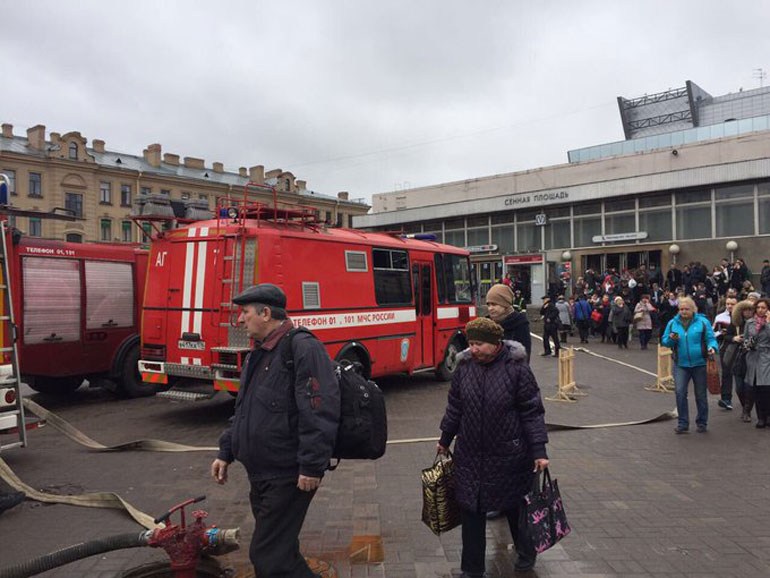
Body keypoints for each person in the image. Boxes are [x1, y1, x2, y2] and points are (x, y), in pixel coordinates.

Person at [211, 283, 340, 578]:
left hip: (289, 475)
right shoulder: (259, 353)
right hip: (263, 475)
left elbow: (320, 409)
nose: (240, 320)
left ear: (266, 313)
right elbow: (245, 410)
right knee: (281, 553)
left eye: (244, 312)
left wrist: (311, 465)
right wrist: (226, 450)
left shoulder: (303, 348)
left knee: (268, 557)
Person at [437, 318, 549, 576]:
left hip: (509, 454)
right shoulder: (464, 367)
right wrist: (445, 439)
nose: (473, 349)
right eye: (471, 343)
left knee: (513, 505)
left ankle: (526, 550)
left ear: (495, 343)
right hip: (470, 454)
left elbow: (532, 412)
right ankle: (471, 569)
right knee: (471, 512)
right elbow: (455, 407)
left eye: (478, 344)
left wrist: (539, 451)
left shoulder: (517, 368)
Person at [662, 296, 718, 434]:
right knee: (680, 393)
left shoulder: (703, 322)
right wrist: (670, 339)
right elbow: (665, 341)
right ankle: (682, 423)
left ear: (693, 309)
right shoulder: (672, 323)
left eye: (686, 309)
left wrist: (712, 348)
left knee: (700, 395)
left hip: (699, 363)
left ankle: (702, 422)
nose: (684, 312)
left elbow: (711, 339)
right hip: (681, 364)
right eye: (681, 309)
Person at [485, 284, 532, 363]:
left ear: (505, 304)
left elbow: (524, 357)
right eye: (488, 304)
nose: (490, 308)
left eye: (494, 304)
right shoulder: (486, 324)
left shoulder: (519, 323)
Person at [742, 297, 770, 428]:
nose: (760, 310)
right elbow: (745, 339)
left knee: (766, 388)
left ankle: (768, 416)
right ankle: (760, 418)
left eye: (763, 308)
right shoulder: (750, 322)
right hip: (753, 357)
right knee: (756, 388)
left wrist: (768, 324)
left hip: (766, 357)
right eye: (758, 307)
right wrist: (748, 344)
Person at [728, 300, 756, 422]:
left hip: (753, 357)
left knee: (749, 386)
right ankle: (745, 406)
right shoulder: (736, 324)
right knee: (739, 388)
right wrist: (734, 338)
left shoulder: (757, 324)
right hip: (739, 358)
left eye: (750, 310)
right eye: (745, 310)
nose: (748, 312)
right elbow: (726, 336)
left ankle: (747, 411)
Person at [713, 296, 738, 410]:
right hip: (725, 347)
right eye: (728, 304)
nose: (729, 306)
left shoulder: (741, 317)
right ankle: (726, 398)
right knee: (726, 372)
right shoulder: (720, 317)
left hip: (740, 348)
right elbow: (712, 334)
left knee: (740, 374)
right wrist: (720, 333)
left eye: (732, 304)